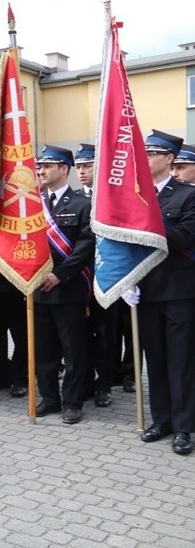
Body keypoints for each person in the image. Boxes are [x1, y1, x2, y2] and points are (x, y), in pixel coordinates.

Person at [125, 130, 195, 455]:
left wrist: (148, 217)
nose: (146, 158)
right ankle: (161, 419)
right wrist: (125, 280)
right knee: (154, 360)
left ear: (169, 159)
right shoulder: (133, 195)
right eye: (143, 152)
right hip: (145, 289)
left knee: (181, 361)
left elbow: (184, 237)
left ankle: (183, 427)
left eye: (152, 153)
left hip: (178, 290)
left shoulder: (187, 195)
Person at [34, 145, 95, 424]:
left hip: (67, 288)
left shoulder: (83, 204)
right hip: (36, 288)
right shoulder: (32, 204)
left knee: (73, 350)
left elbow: (86, 245)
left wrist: (60, 275)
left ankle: (72, 401)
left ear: (64, 169)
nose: (42, 171)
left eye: (48, 166)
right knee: (43, 349)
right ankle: (49, 398)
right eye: (40, 166)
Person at [73, 144, 121, 407]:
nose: (81, 171)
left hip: (105, 275)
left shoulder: (112, 199)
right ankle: (86, 383)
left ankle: (104, 384)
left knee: (105, 334)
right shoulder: (76, 200)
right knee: (80, 334)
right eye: (78, 167)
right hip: (79, 278)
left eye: (87, 165)